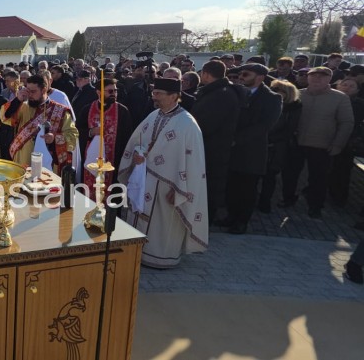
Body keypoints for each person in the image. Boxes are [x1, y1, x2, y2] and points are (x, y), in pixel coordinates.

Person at [119, 78, 208, 269]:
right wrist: (137, 156)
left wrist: (181, 190)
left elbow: (193, 163)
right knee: (138, 215)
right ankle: (136, 252)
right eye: (154, 93)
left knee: (162, 224)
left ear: (174, 96)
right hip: (144, 179)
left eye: (159, 94)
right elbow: (138, 142)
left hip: (169, 186)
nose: (154, 97)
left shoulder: (187, 124)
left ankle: (160, 258)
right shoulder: (153, 115)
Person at [281, 67, 354, 218]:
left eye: (322, 76)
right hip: (296, 143)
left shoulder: (340, 98)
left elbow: (346, 123)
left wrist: (338, 144)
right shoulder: (298, 93)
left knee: (318, 178)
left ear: (330, 79)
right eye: (313, 75)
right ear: (308, 77)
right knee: (289, 174)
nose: (317, 79)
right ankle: (288, 198)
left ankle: (315, 206)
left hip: (322, 146)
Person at [218, 63, 282, 234]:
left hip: (251, 153)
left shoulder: (272, 98)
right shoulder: (235, 93)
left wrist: (236, 139)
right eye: (240, 74)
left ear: (260, 78)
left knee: (247, 189)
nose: (240, 77)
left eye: (246, 74)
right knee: (231, 186)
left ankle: (242, 221)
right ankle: (231, 216)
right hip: (231, 151)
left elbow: (264, 126)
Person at [190, 60, 242, 223]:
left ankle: (205, 221)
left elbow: (207, 124)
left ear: (205, 74)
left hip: (213, 149)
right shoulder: (217, 92)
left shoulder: (221, 95)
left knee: (210, 187)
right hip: (210, 147)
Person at [0, 74, 78, 176]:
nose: (30, 95)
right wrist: (17, 100)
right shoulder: (23, 107)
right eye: (28, 91)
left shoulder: (60, 111)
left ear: (44, 90)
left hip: (48, 163)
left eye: (33, 92)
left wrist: (54, 138)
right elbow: (5, 117)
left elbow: (72, 135)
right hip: (23, 159)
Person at [76, 79, 132, 190]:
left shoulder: (122, 111)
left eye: (115, 91)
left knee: (111, 192)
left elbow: (127, 137)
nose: (114, 94)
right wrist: (91, 132)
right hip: (91, 158)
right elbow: (77, 131)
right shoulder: (87, 109)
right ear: (99, 92)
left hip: (114, 160)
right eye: (110, 91)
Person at [258, 80, 302, 213]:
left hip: (277, 147)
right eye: (273, 89)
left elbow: (289, 130)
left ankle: (265, 203)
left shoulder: (293, 108)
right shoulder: (267, 104)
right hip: (260, 143)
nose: (274, 92)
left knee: (270, 176)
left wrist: (270, 139)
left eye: (278, 90)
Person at [328, 77, 364, 206]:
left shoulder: (360, 104)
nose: (347, 88)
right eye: (344, 84)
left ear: (357, 90)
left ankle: (339, 197)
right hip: (326, 137)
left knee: (342, 170)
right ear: (338, 86)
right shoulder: (329, 99)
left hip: (347, 141)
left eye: (351, 86)